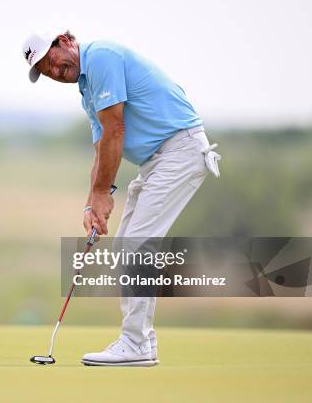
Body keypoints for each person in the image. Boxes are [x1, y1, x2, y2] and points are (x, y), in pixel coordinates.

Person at [22, 31, 221, 366]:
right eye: (45, 71)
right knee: (124, 245)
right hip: (159, 160)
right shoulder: (87, 91)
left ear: (64, 41)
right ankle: (142, 342)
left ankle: (136, 344)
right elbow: (102, 147)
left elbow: (116, 130)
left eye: (51, 61)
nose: (54, 72)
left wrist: (103, 192)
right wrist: (92, 203)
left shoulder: (101, 58)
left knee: (138, 243)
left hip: (180, 150)